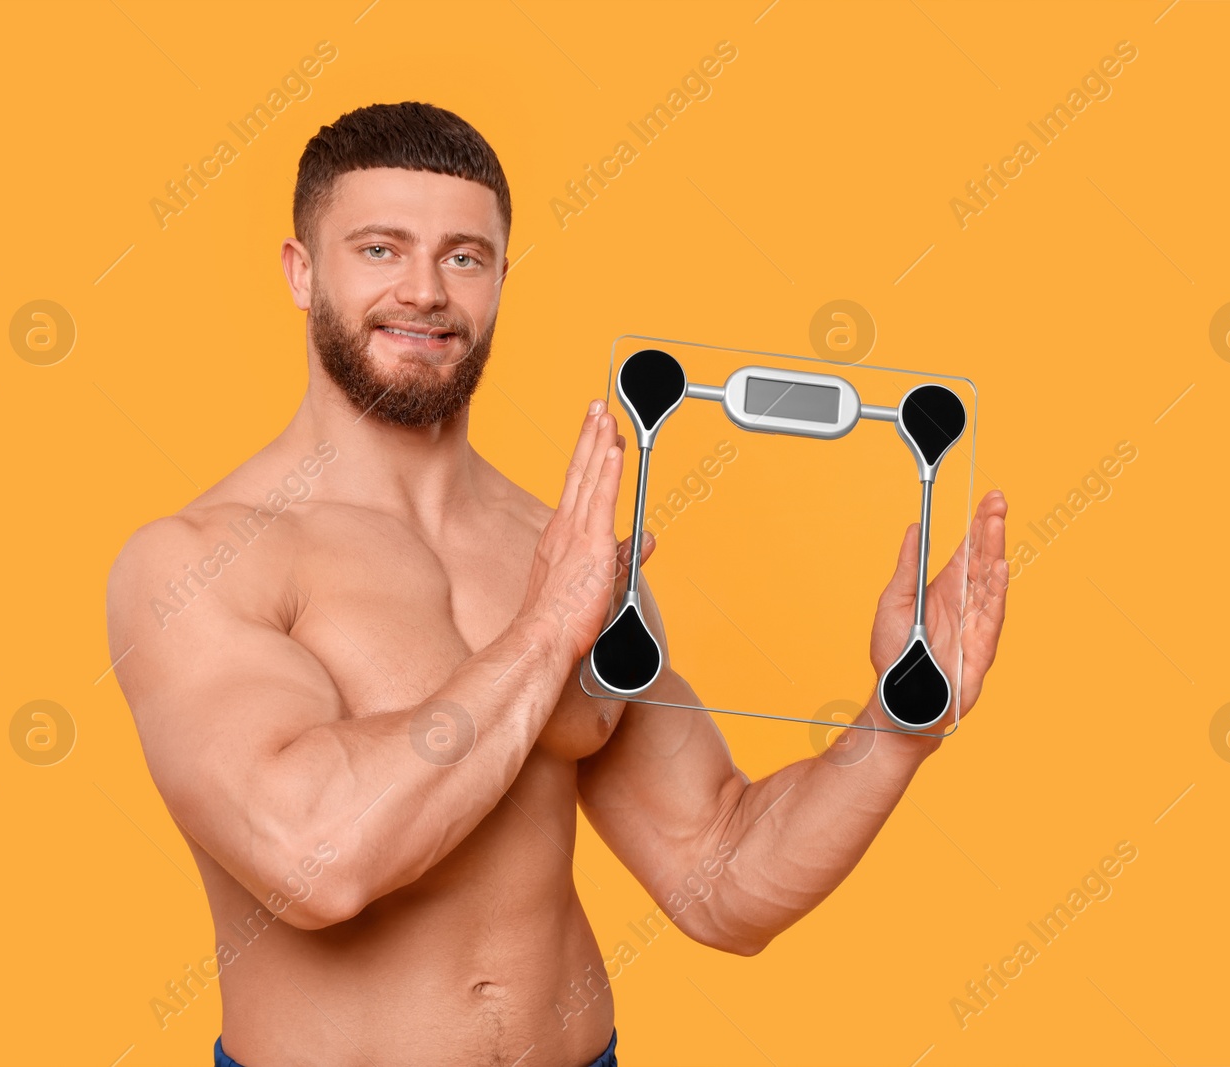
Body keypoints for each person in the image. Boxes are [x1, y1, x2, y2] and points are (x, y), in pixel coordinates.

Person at [105, 100, 1009, 1067]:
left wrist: (900, 718)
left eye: (464, 256)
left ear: (499, 278)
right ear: (301, 272)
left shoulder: (560, 548)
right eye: (379, 249)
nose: (424, 291)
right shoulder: (198, 561)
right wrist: (544, 634)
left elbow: (723, 876)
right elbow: (316, 860)